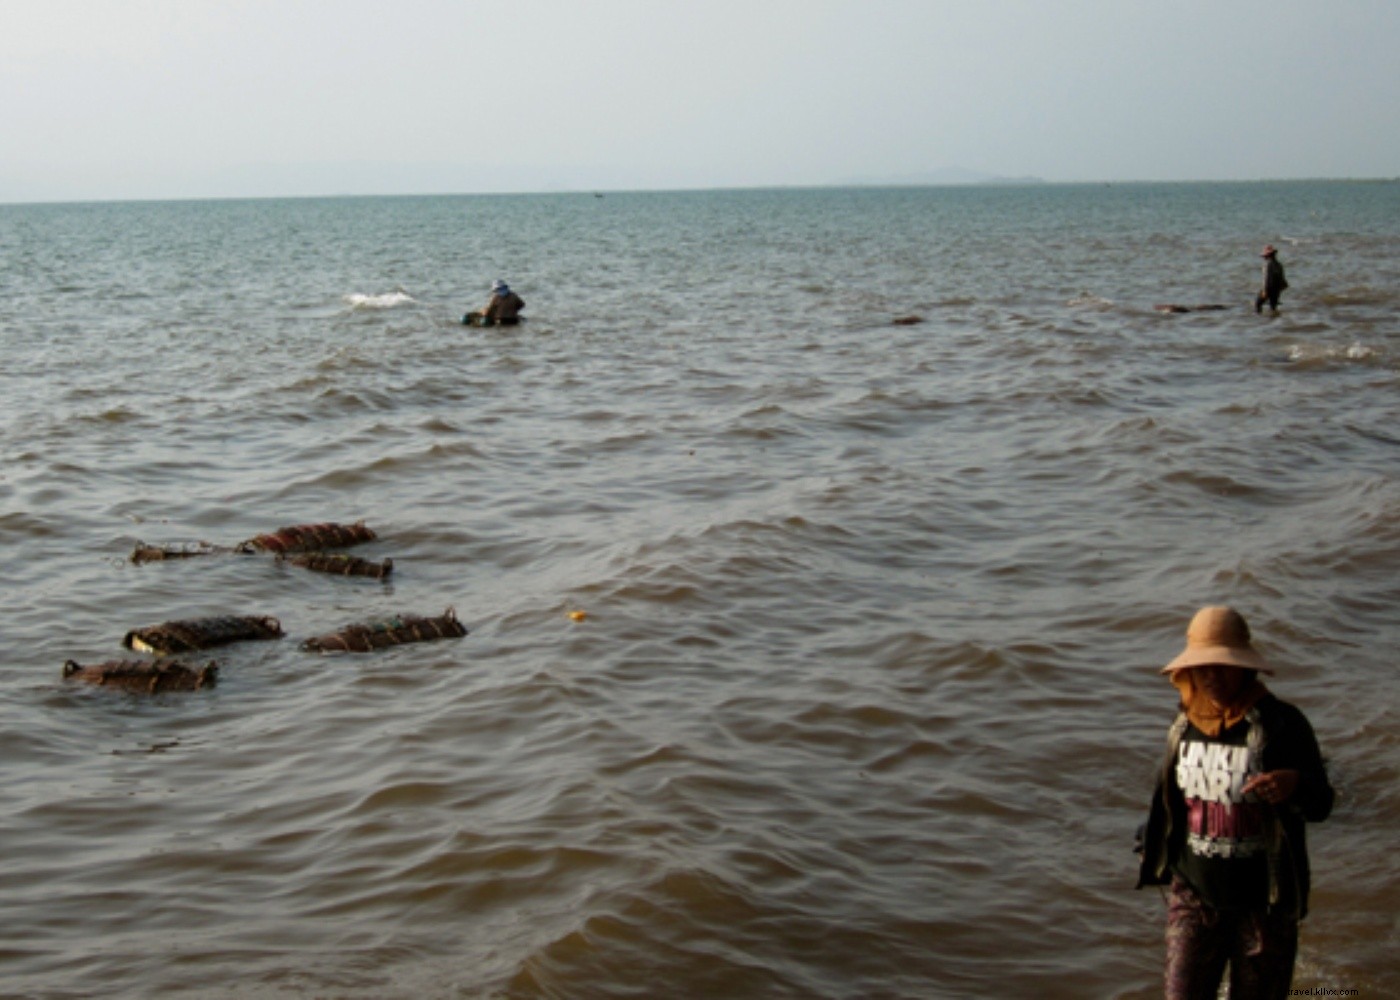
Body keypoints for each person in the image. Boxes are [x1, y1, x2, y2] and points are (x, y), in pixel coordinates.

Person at [1136, 605, 1333, 999]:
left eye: (1222, 666)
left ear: (1245, 668)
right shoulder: (1184, 725)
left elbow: (1322, 804)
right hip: (1194, 895)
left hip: (1265, 904)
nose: (1211, 676)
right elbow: (1173, 798)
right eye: (1203, 667)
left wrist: (1295, 784)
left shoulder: (1282, 724)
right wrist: (1152, 835)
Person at [1254, 245, 1288, 314]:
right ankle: (1274, 320)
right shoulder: (1278, 264)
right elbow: (1282, 278)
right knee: (1273, 306)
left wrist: (1264, 290)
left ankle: (1259, 318)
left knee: (1258, 304)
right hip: (1276, 288)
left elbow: (1266, 278)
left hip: (1269, 287)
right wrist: (1283, 286)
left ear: (1267, 256)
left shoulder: (1267, 265)